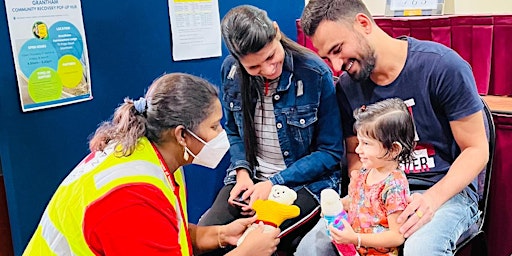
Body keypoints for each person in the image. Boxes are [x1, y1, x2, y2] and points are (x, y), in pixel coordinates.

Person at [297, 0, 489, 255]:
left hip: (442, 191)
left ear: (363, 24)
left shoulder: (442, 66)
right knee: (313, 248)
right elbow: (355, 154)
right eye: (327, 57)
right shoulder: (346, 87)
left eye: (338, 49)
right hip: (375, 191)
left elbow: (477, 149)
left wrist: (431, 199)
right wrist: (360, 188)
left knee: (420, 250)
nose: (336, 65)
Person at [23, 73, 280, 256]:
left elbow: (164, 237)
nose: (221, 134)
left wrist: (220, 235)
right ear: (181, 135)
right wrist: (247, 252)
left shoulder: (153, 156)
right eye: (213, 126)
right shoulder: (132, 196)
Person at [198, 4, 344, 253]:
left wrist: (275, 182)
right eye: (254, 67)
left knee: (261, 240)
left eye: (270, 57)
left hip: (304, 183)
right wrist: (242, 172)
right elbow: (233, 131)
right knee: (207, 236)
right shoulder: (230, 72)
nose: (267, 70)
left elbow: (330, 152)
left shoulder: (314, 73)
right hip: (252, 178)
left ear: (276, 32)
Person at [303, 98, 416, 255]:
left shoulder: (394, 185)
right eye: (359, 142)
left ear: (394, 149)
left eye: (366, 144)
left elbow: (396, 237)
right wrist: (337, 206)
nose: (358, 150)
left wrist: (356, 238)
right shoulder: (366, 170)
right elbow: (358, 200)